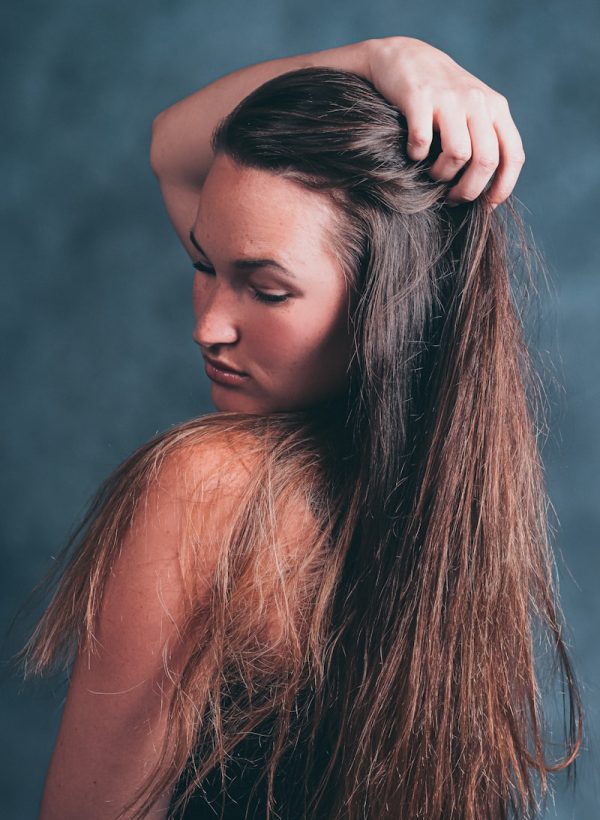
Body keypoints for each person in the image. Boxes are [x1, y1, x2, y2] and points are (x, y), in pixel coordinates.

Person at [19, 37, 582, 819]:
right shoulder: (460, 530)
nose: (210, 326)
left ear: (386, 310)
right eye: (201, 265)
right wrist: (389, 59)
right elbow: (178, 148)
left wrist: (381, 59)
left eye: (268, 291)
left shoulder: (208, 489)